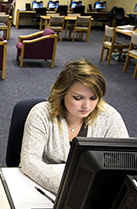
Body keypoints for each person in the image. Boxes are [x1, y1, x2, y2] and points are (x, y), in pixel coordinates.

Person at [20, 59, 129, 194]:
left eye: (93, 98)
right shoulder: (41, 114)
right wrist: (70, 189)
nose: (87, 106)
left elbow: (123, 162)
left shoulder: (109, 117)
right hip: (47, 190)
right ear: (62, 92)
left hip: (95, 193)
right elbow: (30, 161)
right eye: (78, 98)